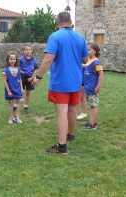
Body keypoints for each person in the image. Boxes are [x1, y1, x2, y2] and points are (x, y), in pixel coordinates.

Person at [32, 12, 89, 154]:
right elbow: (86, 60)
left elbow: (48, 58)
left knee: (61, 112)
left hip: (61, 82)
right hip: (76, 81)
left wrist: (38, 77)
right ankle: (70, 135)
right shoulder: (80, 38)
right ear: (70, 21)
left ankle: (62, 146)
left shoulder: (54, 37)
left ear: (57, 21)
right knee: (73, 110)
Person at [82, 43, 104, 130]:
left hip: (92, 88)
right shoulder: (89, 61)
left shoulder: (96, 62)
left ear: (94, 51)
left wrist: (98, 86)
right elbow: (86, 66)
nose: (87, 51)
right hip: (88, 87)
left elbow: (101, 74)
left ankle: (92, 124)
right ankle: (91, 121)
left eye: (89, 49)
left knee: (93, 106)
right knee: (91, 105)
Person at [13, 43, 38, 114]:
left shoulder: (34, 60)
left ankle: (26, 106)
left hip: (30, 78)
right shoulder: (20, 59)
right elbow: (18, 69)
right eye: (26, 50)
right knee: (20, 92)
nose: (28, 51)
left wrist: (32, 77)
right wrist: (24, 73)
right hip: (22, 77)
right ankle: (16, 105)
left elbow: (35, 69)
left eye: (29, 50)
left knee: (28, 92)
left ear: (31, 51)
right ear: (24, 51)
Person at [3, 51, 24, 124]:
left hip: (17, 88)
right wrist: (8, 91)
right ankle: (11, 117)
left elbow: (20, 79)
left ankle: (17, 116)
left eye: (14, 59)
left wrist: (21, 88)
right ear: (8, 60)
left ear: (16, 60)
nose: (12, 61)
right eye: (11, 59)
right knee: (11, 103)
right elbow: (5, 81)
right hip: (10, 89)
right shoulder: (6, 70)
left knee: (21, 100)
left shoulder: (18, 69)